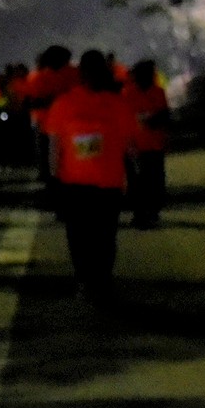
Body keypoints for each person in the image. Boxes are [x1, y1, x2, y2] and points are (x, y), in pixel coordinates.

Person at [38, 49, 147, 300]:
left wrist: (53, 177)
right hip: (88, 184)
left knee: (93, 236)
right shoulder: (73, 104)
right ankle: (92, 280)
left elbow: (54, 146)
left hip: (94, 184)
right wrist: (54, 177)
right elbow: (55, 145)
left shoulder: (105, 104)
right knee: (93, 236)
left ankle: (94, 280)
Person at [120, 58, 172, 229]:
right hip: (135, 146)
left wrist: (153, 122)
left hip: (154, 145)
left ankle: (152, 212)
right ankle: (140, 214)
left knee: (155, 181)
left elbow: (164, 116)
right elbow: (125, 122)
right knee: (137, 182)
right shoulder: (128, 94)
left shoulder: (158, 92)